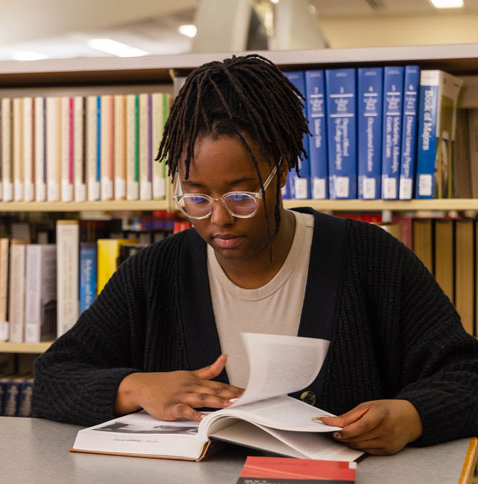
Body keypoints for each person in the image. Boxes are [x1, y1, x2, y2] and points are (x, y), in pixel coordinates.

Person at [31, 54, 478, 456]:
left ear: (280, 172)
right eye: (196, 198)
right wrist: (133, 387)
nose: (219, 219)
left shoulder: (370, 259)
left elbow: (467, 374)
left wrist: (413, 415)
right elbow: (52, 378)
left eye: (242, 196)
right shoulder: (155, 272)